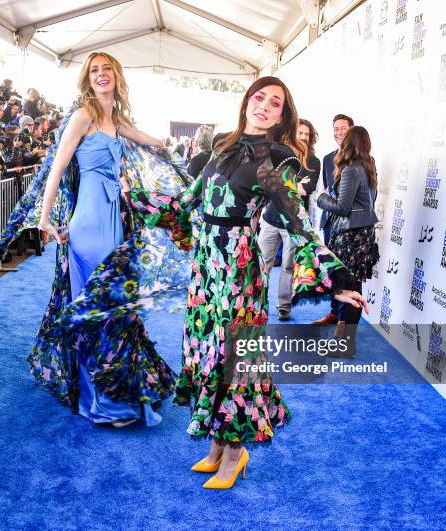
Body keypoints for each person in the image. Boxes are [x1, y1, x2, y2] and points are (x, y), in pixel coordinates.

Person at [127, 76, 367, 489]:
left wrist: (337, 279)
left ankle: (235, 453)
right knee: (207, 352)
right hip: (206, 265)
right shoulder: (222, 146)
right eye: (260, 97)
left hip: (238, 270)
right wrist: (141, 196)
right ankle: (219, 446)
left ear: (282, 116)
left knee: (236, 361)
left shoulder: (275, 160)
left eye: (275, 103)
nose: (264, 106)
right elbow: (191, 202)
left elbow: (298, 221)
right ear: (246, 102)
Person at [3, 51, 192, 428]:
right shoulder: (84, 115)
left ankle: (119, 392)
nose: (101, 75)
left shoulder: (115, 118)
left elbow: (147, 139)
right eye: (94, 71)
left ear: (117, 76)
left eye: (107, 69)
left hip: (114, 221)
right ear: (87, 79)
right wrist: (44, 218)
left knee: (116, 308)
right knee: (98, 310)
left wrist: (170, 147)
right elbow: (56, 168)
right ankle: (102, 402)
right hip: (88, 224)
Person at [316, 125, 379, 345]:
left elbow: (343, 207)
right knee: (354, 286)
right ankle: (344, 337)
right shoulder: (369, 165)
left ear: (347, 144)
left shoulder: (352, 169)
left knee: (349, 287)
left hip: (351, 236)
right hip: (364, 234)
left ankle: (344, 340)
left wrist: (322, 199)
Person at [313, 113, 354, 326]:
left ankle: (344, 322)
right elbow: (325, 191)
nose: (339, 132)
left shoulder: (361, 159)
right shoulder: (327, 158)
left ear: (352, 130)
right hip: (330, 222)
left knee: (347, 274)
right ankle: (334, 312)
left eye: (343, 128)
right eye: (336, 128)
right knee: (332, 270)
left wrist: (323, 200)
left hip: (348, 226)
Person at [295, 118, 321, 211]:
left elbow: (305, 190)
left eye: (307, 134)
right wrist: (298, 183)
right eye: (300, 133)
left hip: (299, 216)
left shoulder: (314, 162)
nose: (303, 137)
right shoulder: (281, 155)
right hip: (272, 215)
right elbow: (269, 184)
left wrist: (282, 184)